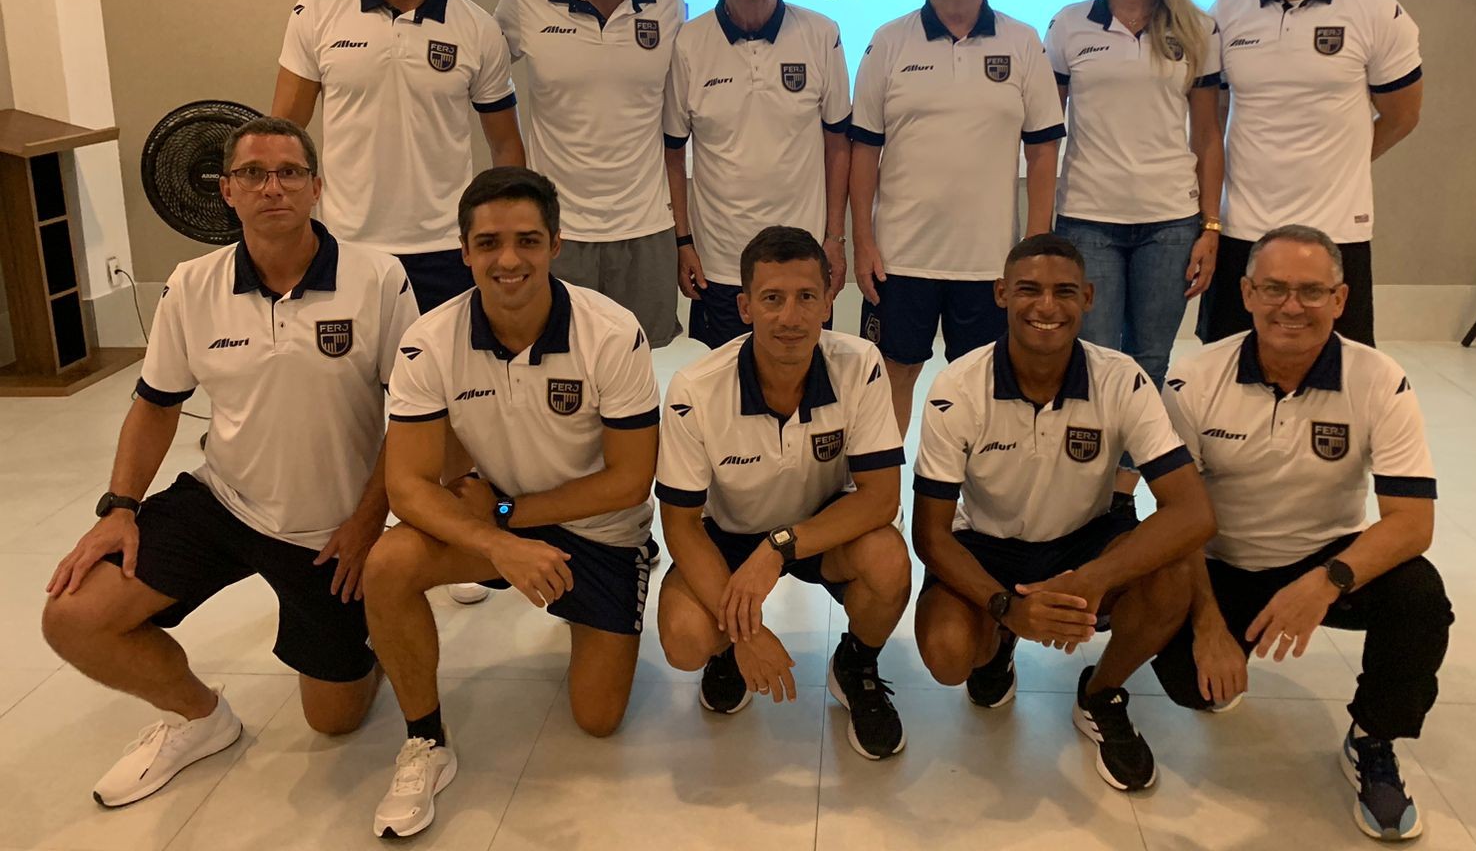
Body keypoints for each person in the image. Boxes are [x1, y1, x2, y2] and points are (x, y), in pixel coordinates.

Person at [41, 117, 415, 807]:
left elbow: (417, 421)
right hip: (224, 501)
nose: (272, 186)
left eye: (289, 172)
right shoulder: (191, 285)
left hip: (331, 532)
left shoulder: (378, 279)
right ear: (227, 191)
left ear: (316, 188)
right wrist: (119, 509)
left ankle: (372, 639)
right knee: (72, 615)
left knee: (333, 722)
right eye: (252, 174)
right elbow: (155, 404)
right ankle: (202, 720)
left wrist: (370, 523)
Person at [360, 167, 659, 840]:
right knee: (389, 563)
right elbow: (405, 484)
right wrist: (495, 545)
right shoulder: (427, 341)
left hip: (597, 529)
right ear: (463, 251)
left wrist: (503, 517)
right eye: (488, 242)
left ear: (557, 245)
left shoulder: (612, 333)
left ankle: (609, 587)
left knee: (598, 719)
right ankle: (425, 741)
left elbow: (630, 479)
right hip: (490, 528)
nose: (508, 259)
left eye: (527, 240)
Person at [1154, 224, 1452, 841]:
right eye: (1276, 288)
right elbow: (1172, 520)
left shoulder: (1380, 380)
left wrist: (1326, 581)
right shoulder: (1193, 380)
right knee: (1193, 688)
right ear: (1246, 293)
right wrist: (1209, 626)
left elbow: (1412, 524)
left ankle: (1372, 741)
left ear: (1341, 300)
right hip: (1220, 561)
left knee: (1420, 597)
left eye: (1313, 292)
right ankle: (1219, 640)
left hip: (1325, 556)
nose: (1293, 306)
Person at [911, 233, 1215, 792]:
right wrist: (1006, 606)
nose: (1046, 306)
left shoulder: (1122, 377)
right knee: (948, 653)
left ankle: (1101, 692)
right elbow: (930, 536)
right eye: (1028, 290)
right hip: (988, 546)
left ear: (1089, 297)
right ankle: (997, 646)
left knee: (1172, 576)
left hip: (1087, 540)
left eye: (1064, 292)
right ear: (1001, 294)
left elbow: (1193, 514)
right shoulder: (956, 387)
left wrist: (1089, 579)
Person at [654, 226, 910, 760]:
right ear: (745, 307)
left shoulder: (860, 363)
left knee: (888, 559)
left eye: (806, 298)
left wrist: (779, 547)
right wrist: (745, 631)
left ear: (827, 303)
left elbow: (882, 498)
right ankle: (726, 651)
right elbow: (679, 525)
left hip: (818, 530)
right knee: (683, 639)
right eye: (772, 299)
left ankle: (857, 665)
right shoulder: (694, 389)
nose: (790, 317)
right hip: (729, 535)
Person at [850, 0, 1064, 434]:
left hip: (990, 262)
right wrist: (863, 242)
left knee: (984, 385)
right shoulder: (888, 41)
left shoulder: (1022, 41)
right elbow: (863, 151)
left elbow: (1042, 151)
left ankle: (977, 507)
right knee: (891, 377)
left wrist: (1036, 248)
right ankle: (884, 504)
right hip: (900, 257)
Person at [273, 0, 525, 314]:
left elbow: (505, 144)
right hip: (343, 243)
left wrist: (503, 233)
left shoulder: (478, 28)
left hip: (446, 247)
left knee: (441, 380)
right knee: (349, 382)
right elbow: (283, 136)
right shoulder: (317, 10)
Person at [1198, 0, 1423, 346]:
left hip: (1337, 228)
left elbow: (1402, 115)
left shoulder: (1375, 8)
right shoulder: (1227, 12)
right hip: (1245, 226)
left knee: (1337, 370)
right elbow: (1211, 119)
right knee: (1230, 365)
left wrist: (1342, 162)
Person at [495, 0, 685, 348]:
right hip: (560, 230)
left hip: (645, 229)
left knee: (645, 367)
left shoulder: (668, 4)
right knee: (560, 365)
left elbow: (675, 124)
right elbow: (482, 84)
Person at [1045, 0, 1223, 390]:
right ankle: (1097, 465)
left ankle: (1126, 471)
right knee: (1095, 359)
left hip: (1170, 222)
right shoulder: (1069, 24)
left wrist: (1210, 227)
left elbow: (1209, 138)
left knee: (1150, 360)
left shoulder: (1197, 28)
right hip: (1088, 219)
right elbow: (1043, 131)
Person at [665, 0, 852, 347]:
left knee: (804, 380)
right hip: (721, 262)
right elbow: (673, 152)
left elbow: (838, 145)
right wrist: (683, 242)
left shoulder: (822, 34)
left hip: (803, 259)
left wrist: (835, 238)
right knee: (724, 390)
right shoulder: (688, 42)